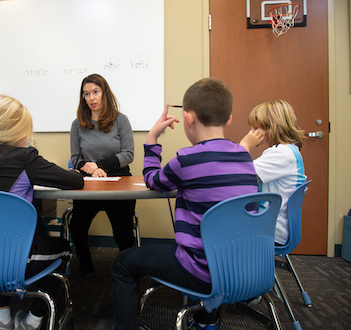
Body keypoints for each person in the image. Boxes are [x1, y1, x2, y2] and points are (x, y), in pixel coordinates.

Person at [111, 78, 259, 330]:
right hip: (241, 265)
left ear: (188, 119)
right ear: (229, 119)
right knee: (207, 242)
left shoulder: (187, 159)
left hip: (200, 271)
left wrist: (153, 136)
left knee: (123, 263)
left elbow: (152, 180)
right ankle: (205, 320)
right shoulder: (244, 156)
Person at [0, 94, 84, 330]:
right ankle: (33, 321)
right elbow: (75, 181)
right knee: (63, 248)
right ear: (16, 129)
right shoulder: (25, 158)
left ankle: (1, 319)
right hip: (15, 260)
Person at [70, 74, 136, 277]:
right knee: (77, 227)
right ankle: (85, 263)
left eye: (95, 92)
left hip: (119, 182)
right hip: (89, 184)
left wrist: (98, 166)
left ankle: (127, 268)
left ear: (104, 93)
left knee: (123, 234)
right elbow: (75, 159)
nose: (91, 98)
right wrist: (91, 169)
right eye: (86, 94)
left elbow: (128, 154)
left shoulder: (120, 120)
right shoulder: (78, 124)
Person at [239, 100, 307, 245]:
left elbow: (239, 174)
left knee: (220, 226)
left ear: (273, 127)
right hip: (274, 225)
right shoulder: (289, 151)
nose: (251, 133)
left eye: (255, 128)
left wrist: (244, 145)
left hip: (271, 230)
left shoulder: (282, 154)